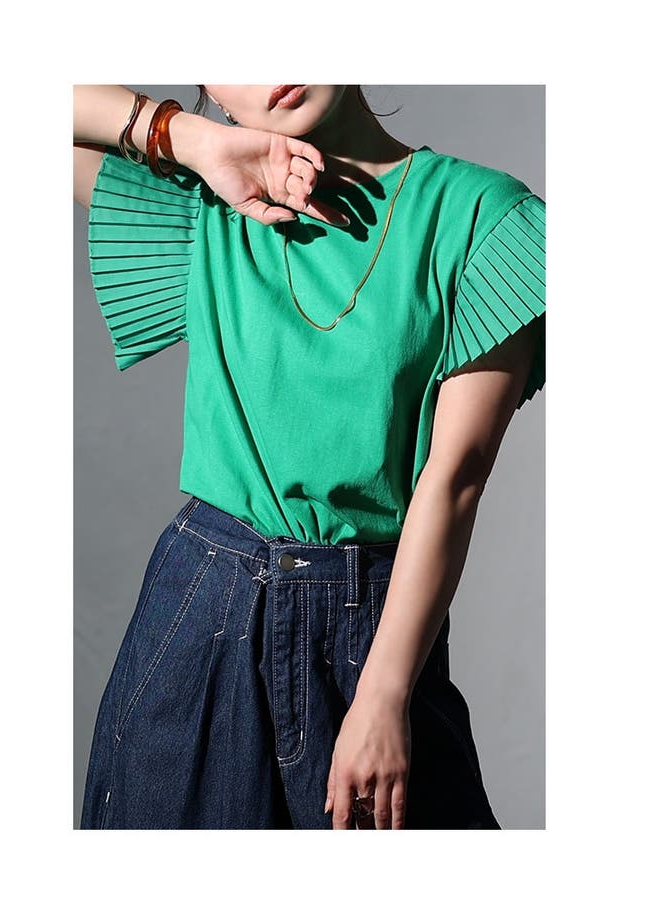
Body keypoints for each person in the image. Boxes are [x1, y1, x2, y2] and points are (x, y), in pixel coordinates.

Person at [73, 84, 545, 830]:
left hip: (376, 626)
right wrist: (193, 140)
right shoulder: (207, 202)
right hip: (202, 607)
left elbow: (454, 479)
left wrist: (385, 694)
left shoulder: (482, 215)